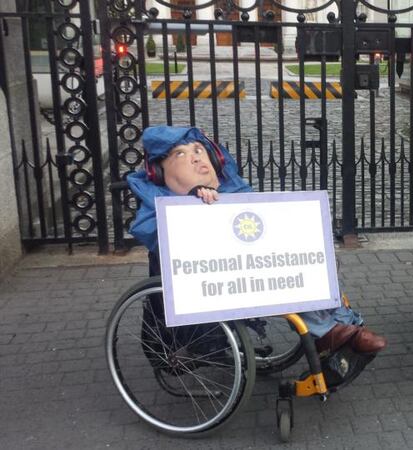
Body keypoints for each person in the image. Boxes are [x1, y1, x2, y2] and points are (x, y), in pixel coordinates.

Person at [128, 125, 387, 355]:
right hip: (218, 278)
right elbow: (154, 235)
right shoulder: (158, 203)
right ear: (161, 172)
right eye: (181, 154)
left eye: (198, 149)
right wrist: (190, 204)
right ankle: (327, 332)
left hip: (250, 265)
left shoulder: (233, 188)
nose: (195, 157)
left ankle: (345, 325)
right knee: (284, 277)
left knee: (309, 261)